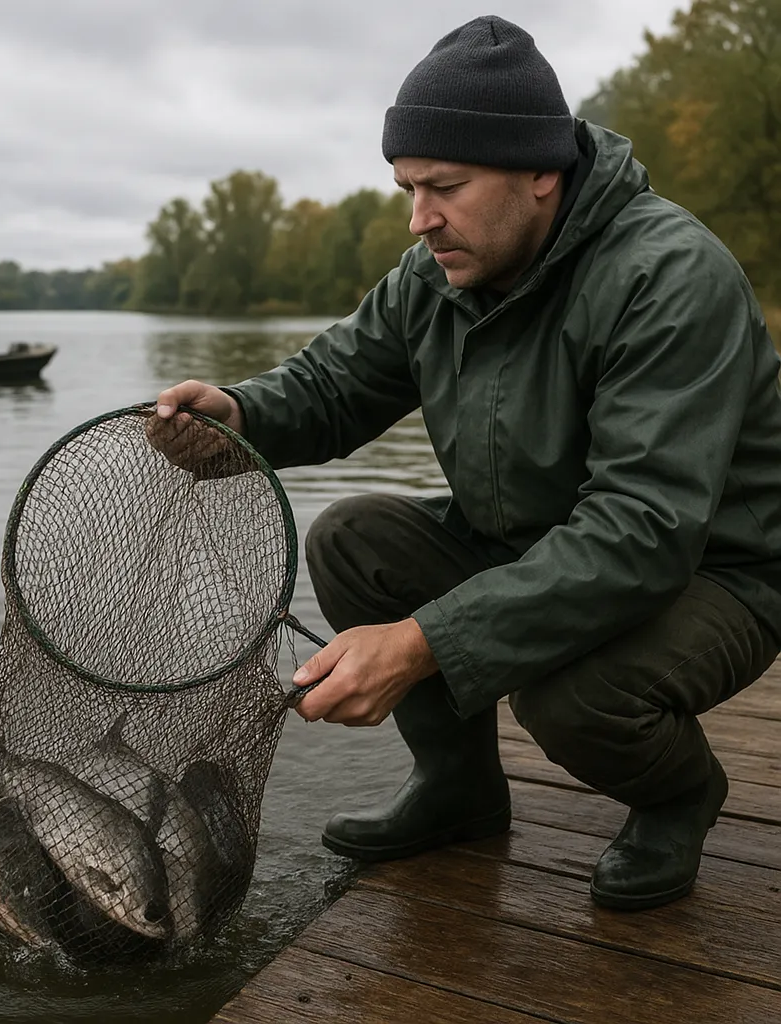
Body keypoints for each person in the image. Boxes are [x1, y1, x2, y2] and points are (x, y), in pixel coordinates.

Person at [147, 15, 781, 911]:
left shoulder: (670, 276)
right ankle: (460, 791)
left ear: (540, 174)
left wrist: (420, 643)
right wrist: (240, 413)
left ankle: (679, 795)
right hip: (539, 541)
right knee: (353, 539)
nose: (420, 218)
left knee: (570, 699)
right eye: (408, 187)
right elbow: (333, 383)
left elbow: (641, 533)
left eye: (444, 186)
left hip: (716, 569)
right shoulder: (436, 272)